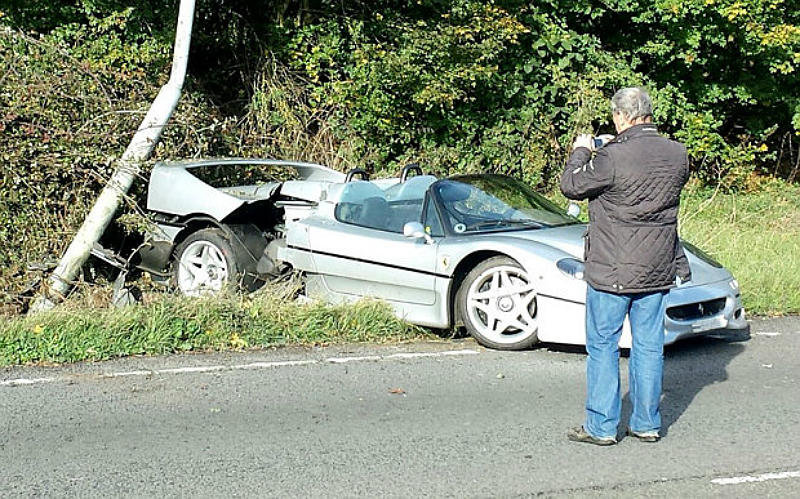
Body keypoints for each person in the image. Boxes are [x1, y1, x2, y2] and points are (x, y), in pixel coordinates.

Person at [560, 87, 691, 445]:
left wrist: (582, 151)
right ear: (648, 113)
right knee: (649, 346)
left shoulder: (612, 157)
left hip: (613, 268)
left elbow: (571, 186)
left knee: (603, 345)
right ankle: (646, 423)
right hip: (659, 264)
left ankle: (602, 427)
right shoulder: (678, 154)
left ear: (621, 116)